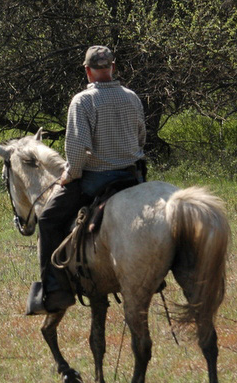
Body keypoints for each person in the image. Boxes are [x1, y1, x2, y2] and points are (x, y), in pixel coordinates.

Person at [29, 45, 146, 315]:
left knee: (47, 220)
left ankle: (54, 291)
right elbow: (141, 137)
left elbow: (78, 149)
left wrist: (69, 176)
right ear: (112, 67)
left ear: (87, 70)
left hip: (96, 180)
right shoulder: (132, 97)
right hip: (131, 177)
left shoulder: (83, 101)